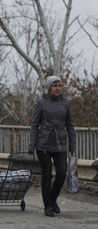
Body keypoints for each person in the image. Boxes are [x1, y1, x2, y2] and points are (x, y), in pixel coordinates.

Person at [29, 76, 76, 217]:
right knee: (47, 176)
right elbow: (34, 125)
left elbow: (70, 125)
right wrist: (32, 146)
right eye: (55, 85)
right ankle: (48, 206)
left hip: (60, 143)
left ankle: (53, 199)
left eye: (60, 85)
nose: (58, 88)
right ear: (49, 88)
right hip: (44, 144)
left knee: (62, 173)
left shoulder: (65, 103)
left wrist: (72, 144)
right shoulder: (41, 103)